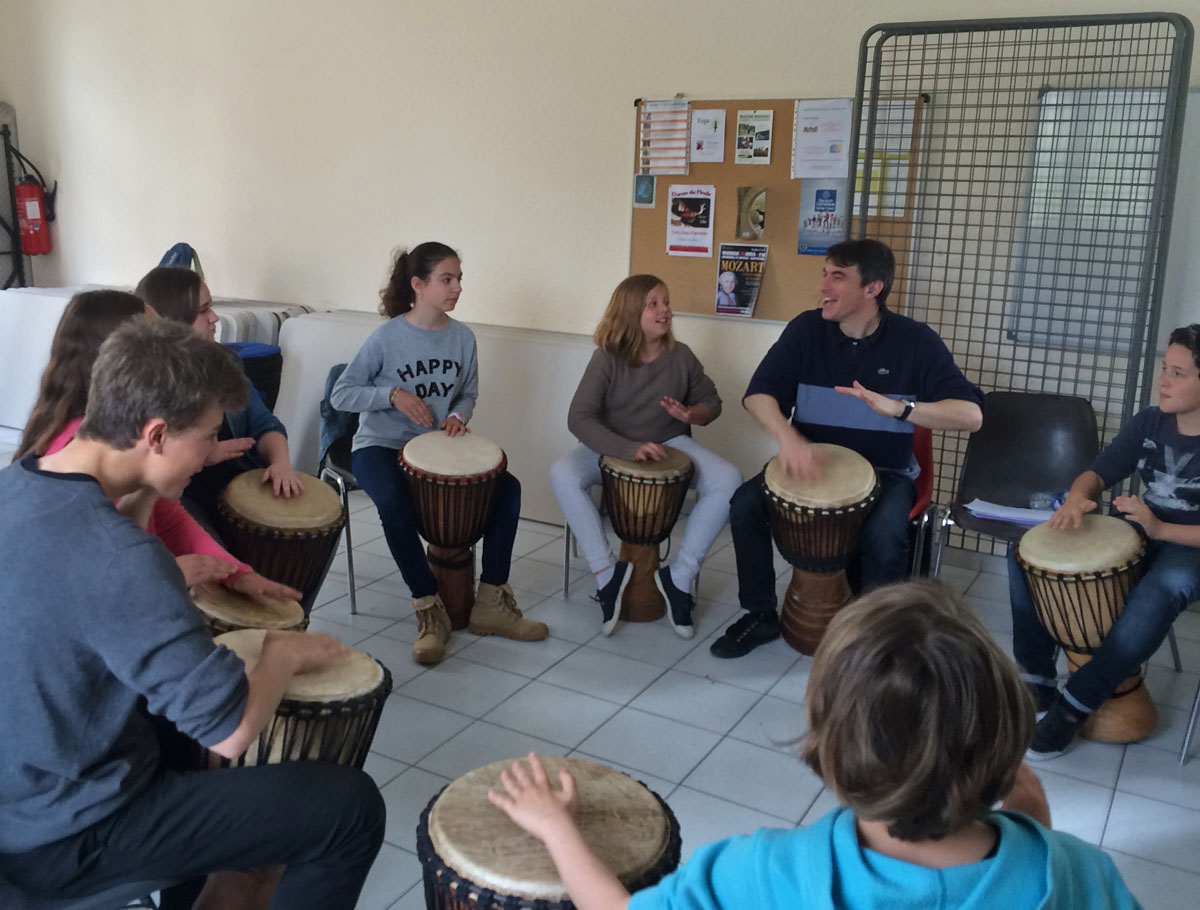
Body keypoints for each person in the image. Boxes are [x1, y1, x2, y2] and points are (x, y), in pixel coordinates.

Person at [0, 319, 384, 909]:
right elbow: (232, 731)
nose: (209, 455)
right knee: (349, 809)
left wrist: (153, 490)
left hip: (22, 789)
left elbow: (95, 585)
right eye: (205, 437)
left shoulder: (18, 484)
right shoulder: (124, 560)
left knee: (185, 748)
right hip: (68, 834)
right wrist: (281, 655)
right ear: (155, 433)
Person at [487, 581, 1142, 910]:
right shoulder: (1082, 876)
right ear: (1002, 734)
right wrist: (1033, 826)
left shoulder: (765, 873)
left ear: (831, 739)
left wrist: (557, 827)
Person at [711, 238, 983, 659]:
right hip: (812, 464)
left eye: (837, 276)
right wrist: (788, 437)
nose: (823, 285)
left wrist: (899, 408)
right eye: (824, 273)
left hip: (886, 473)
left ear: (872, 288)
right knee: (745, 504)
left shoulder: (915, 341)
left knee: (887, 533)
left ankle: (878, 640)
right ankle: (760, 613)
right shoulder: (806, 330)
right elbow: (757, 395)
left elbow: (970, 416)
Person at [330, 242, 547, 664]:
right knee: (393, 504)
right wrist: (391, 395)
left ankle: (490, 604)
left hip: (436, 445)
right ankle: (429, 610)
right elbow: (342, 393)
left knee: (509, 489)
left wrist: (459, 415)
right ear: (418, 285)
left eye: (459, 278)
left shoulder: (462, 337)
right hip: (380, 445)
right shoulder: (387, 337)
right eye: (447, 279)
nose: (457, 288)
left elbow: (468, 392)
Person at [13, 289, 298, 602]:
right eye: (153, 337)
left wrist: (239, 574)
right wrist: (165, 572)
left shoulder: (124, 451)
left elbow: (166, 517)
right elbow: (85, 591)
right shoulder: (71, 466)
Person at [1011, 323, 1200, 758]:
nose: (1163, 381)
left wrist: (1161, 530)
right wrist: (1078, 498)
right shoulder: (1151, 420)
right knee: (1024, 554)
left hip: (1188, 547)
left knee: (1162, 590)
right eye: (1163, 368)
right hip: (1143, 527)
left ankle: (1076, 705)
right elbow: (1100, 471)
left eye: (1178, 373)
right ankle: (1037, 680)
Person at [550, 274, 740, 637]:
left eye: (666, 302)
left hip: (670, 443)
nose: (665, 310)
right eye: (653, 303)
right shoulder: (606, 358)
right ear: (630, 311)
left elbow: (712, 403)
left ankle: (680, 577)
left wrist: (691, 414)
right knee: (562, 473)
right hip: (612, 445)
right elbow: (579, 417)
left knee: (728, 480)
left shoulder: (680, 356)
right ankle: (607, 573)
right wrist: (626, 449)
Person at [136, 266, 305, 531]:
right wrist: (202, 454)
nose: (214, 318)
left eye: (211, 307)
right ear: (172, 321)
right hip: (181, 497)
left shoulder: (226, 363)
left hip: (238, 481)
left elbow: (264, 424)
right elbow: (143, 462)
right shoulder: (144, 382)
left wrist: (280, 462)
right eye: (203, 311)